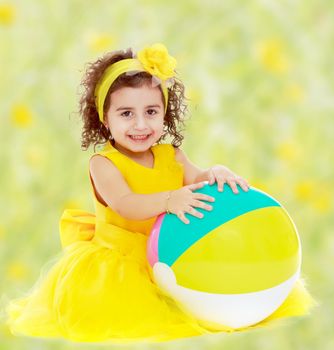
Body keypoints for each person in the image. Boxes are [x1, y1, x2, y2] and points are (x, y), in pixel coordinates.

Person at [2, 43, 315, 344]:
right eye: (126, 114)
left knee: (196, 300)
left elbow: (198, 180)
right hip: (125, 260)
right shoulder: (104, 164)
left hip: (173, 253)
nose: (141, 124)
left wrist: (215, 173)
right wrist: (169, 200)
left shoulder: (171, 154)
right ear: (104, 118)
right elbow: (126, 205)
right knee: (135, 319)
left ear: (165, 114)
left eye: (151, 111)